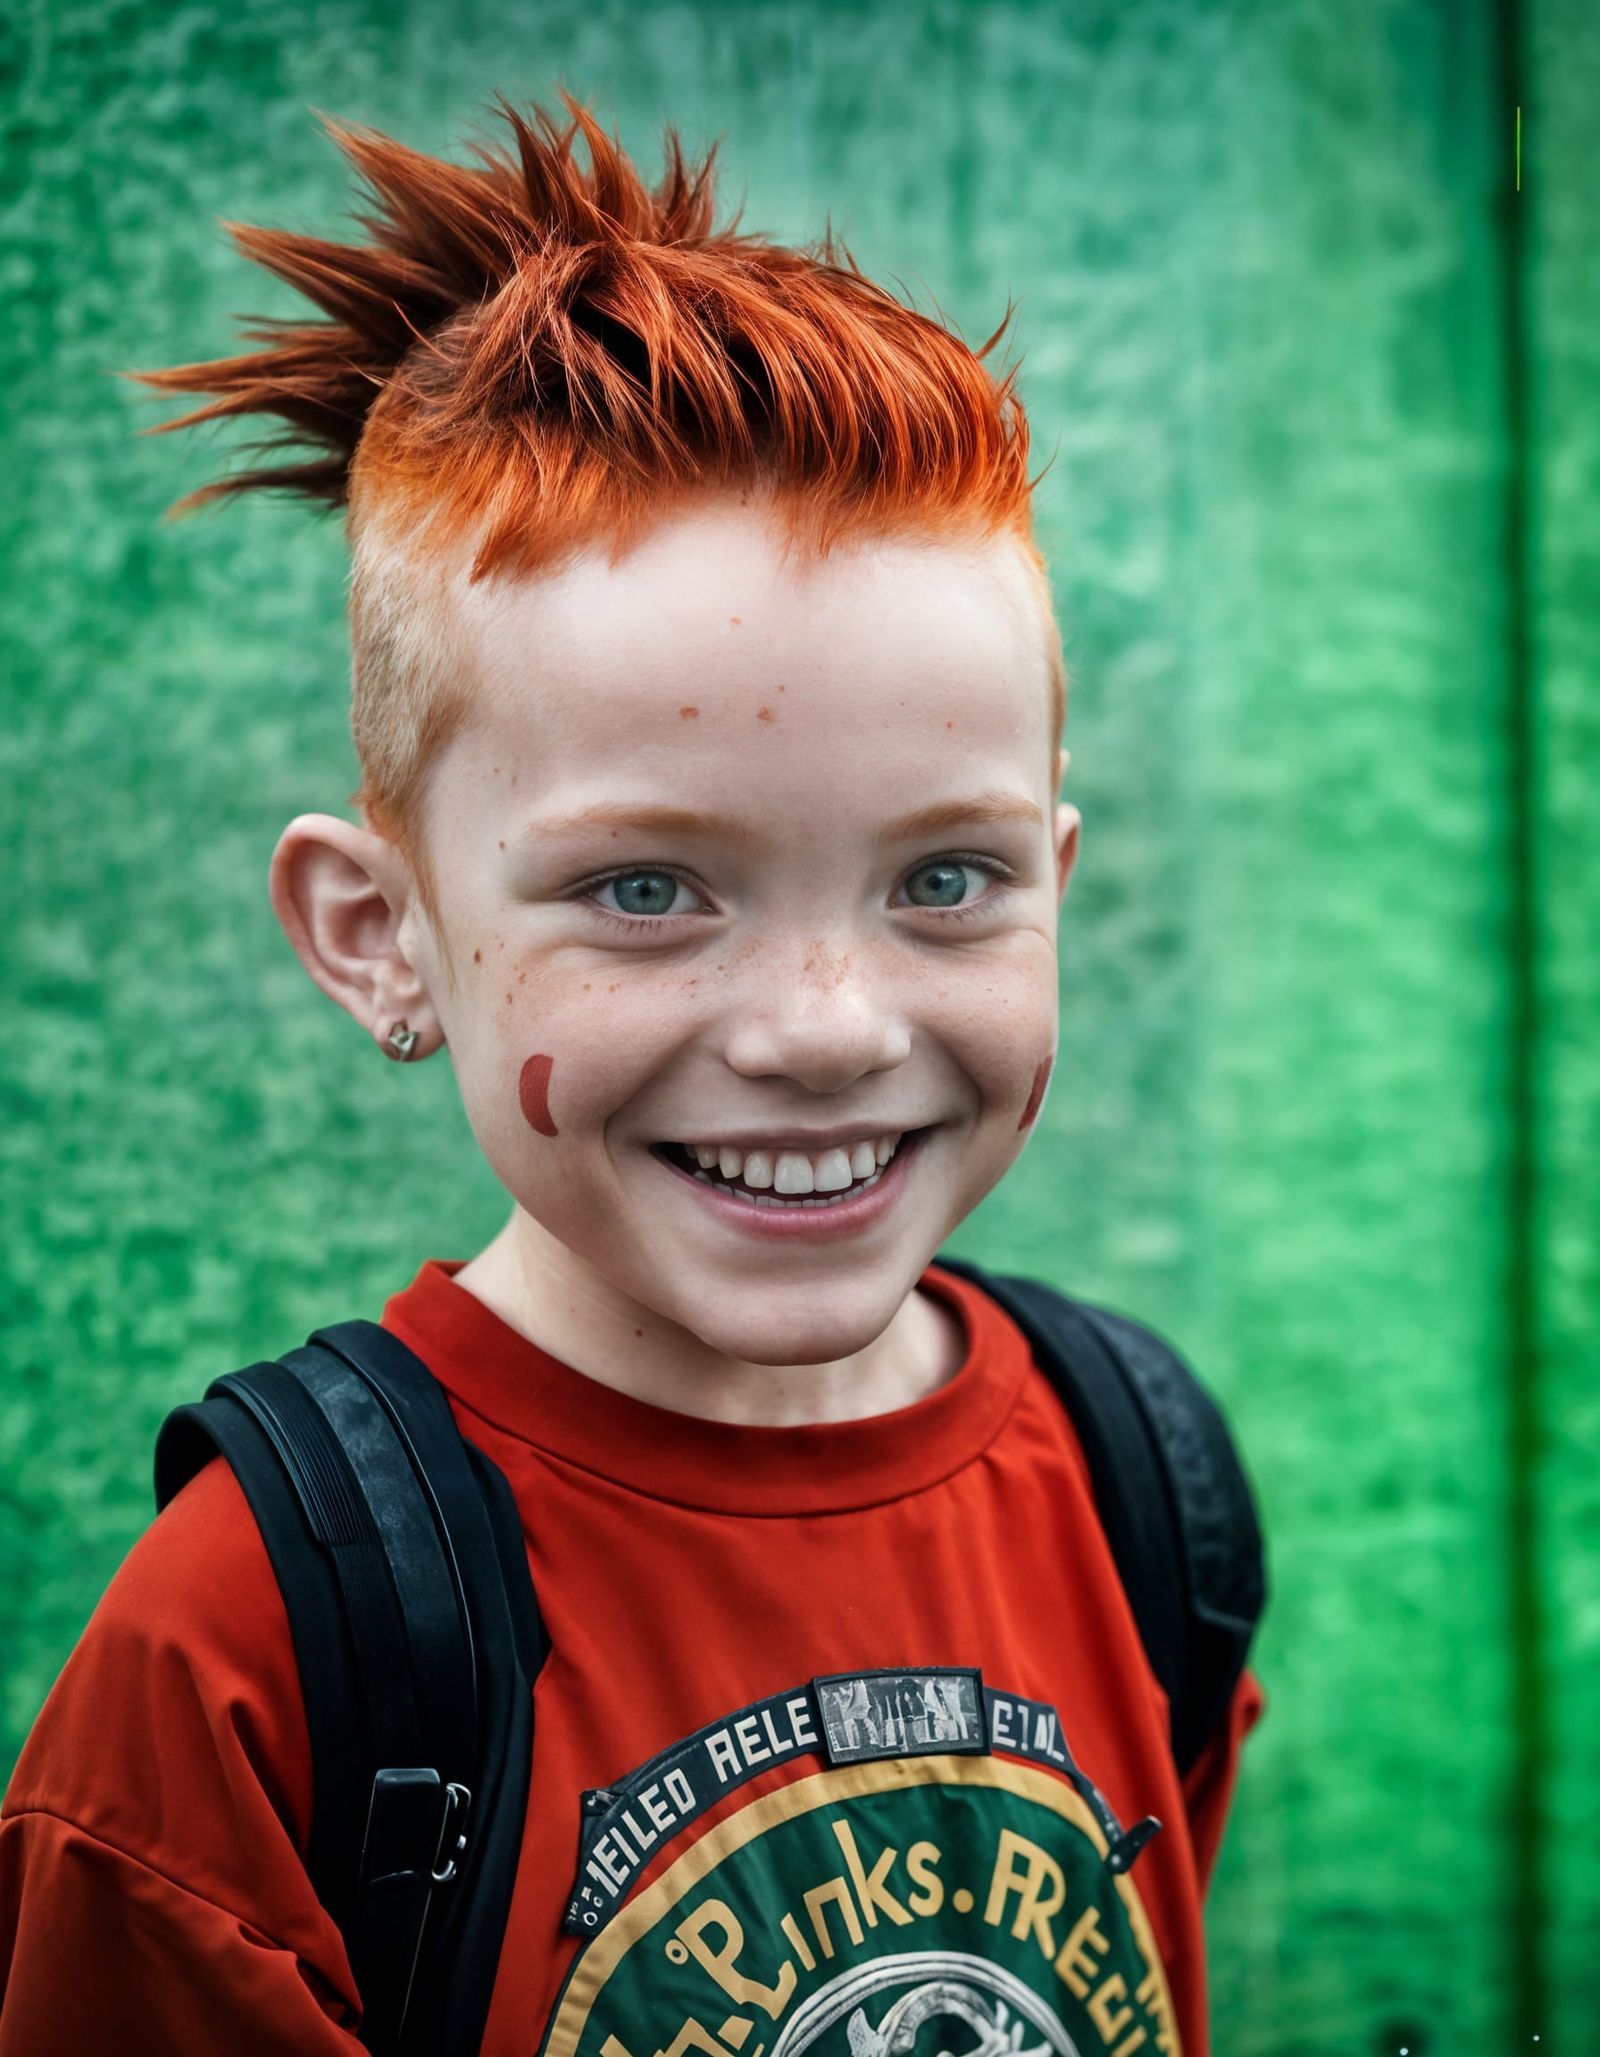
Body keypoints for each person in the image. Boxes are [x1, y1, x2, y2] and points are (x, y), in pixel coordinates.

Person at [0, 88, 1265, 2056]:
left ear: (1057, 880)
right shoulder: (249, 1649)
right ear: (380, 935)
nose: (827, 1025)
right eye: (648, 888)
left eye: (946, 876)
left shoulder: (1138, 1490)